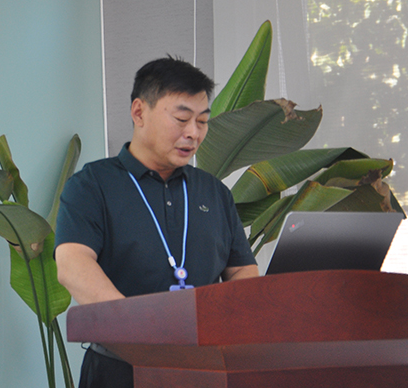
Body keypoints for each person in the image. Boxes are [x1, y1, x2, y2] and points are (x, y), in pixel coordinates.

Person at [55, 56, 258, 388]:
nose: (193, 133)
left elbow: (242, 270)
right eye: (182, 119)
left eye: (202, 121)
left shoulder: (214, 192)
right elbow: (72, 265)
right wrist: (138, 329)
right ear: (139, 112)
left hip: (204, 367)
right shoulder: (92, 185)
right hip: (120, 367)